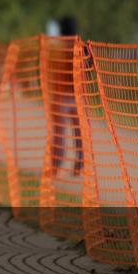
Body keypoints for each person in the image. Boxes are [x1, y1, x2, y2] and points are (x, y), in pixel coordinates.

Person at [48, 15, 83, 178]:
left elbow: (51, 69)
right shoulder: (79, 48)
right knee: (79, 134)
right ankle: (78, 164)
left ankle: (55, 166)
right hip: (76, 96)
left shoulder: (57, 47)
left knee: (60, 134)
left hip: (60, 96)